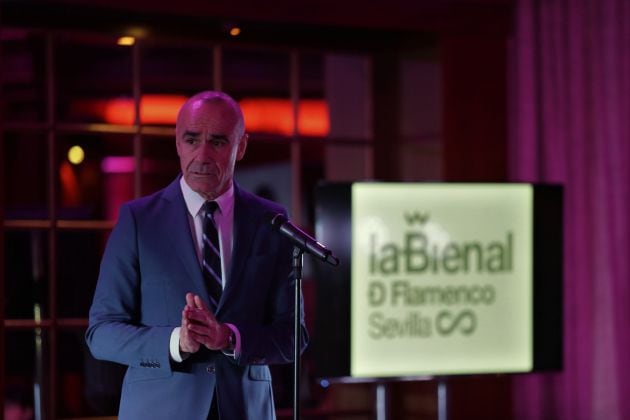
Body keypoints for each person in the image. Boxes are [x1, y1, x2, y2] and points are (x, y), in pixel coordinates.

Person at [86, 91, 308, 420]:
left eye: (218, 142)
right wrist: (177, 341)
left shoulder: (271, 221)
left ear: (241, 146)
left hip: (245, 410)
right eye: (192, 140)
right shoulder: (139, 221)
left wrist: (230, 337)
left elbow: (294, 336)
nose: (202, 155)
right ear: (177, 142)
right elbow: (101, 334)